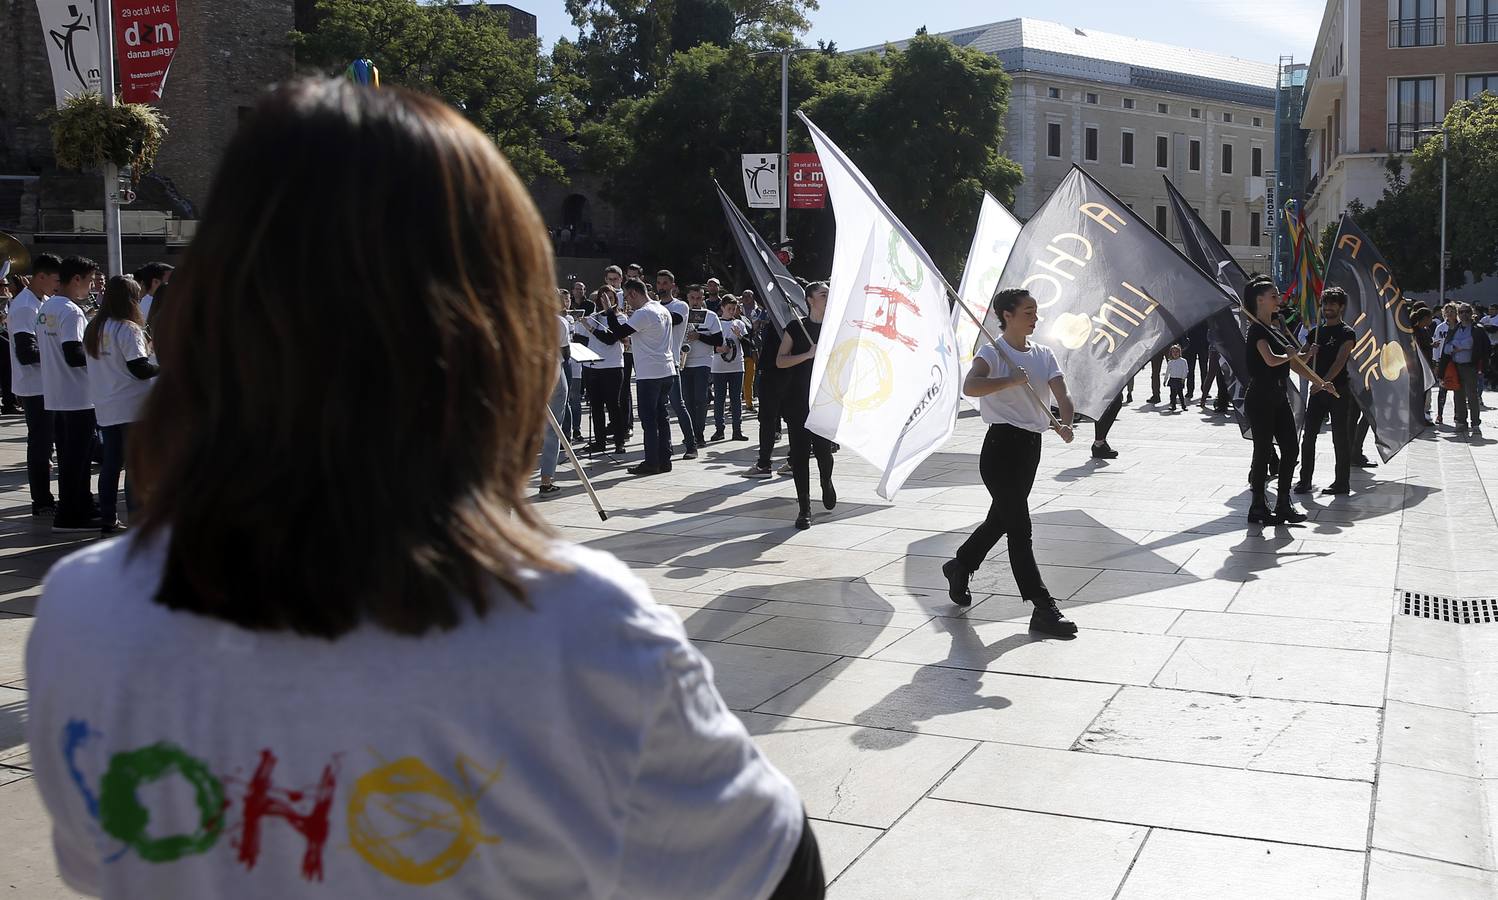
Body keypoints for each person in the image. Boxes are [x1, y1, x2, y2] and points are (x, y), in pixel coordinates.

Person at [26, 79, 822, 900]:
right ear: (492, 334)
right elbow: (771, 872)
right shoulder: (573, 630)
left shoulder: (83, 614)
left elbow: (96, 862)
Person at [940, 288, 1078, 636]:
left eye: (1035, 312)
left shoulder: (1044, 354)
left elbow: (1062, 393)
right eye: (1028, 312)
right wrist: (1009, 381)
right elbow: (971, 387)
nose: (1035, 318)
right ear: (1007, 315)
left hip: (1031, 448)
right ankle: (1042, 606)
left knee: (1001, 519)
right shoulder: (992, 352)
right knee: (1020, 527)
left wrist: (1066, 421)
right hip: (1000, 449)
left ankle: (961, 564)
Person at [1242, 276, 1335, 525]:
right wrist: (1289, 354)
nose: (1278, 299)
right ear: (1259, 300)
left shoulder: (1273, 328)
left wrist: (1318, 380)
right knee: (1262, 451)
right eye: (1273, 296)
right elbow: (1271, 359)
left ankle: (1284, 503)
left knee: (1291, 448)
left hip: (1278, 395)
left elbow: (1293, 362)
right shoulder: (1256, 330)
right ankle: (1258, 505)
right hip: (1260, 396)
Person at [83, 275, 159, 532]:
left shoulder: (95, 327)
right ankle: (137, 520)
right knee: (135, 466)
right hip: (132, 405)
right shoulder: (128, 328)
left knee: (112, 464)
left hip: (106, 404)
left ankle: (108, 519)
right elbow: (139, 368)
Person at [39, 255, 100, 532]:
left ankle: (81, 505)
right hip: (77, 395)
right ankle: (69, 515)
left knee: (70, 457)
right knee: (78, 459)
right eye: (88, 282)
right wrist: (103, 360)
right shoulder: (72, 311)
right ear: (76, 279)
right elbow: (74, 354)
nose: (89, 288)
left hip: (57, 393)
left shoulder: (48, 307)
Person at [776, 283, 836, 530]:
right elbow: (780, 361)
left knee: (824, 452)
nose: (828, 297)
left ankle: (826, 480)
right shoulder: (796, 327)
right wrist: (807, 355)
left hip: (825, 400)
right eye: (823, 294)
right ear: (810, 300)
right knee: (799, 456)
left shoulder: (835, 327)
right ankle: (804, 509)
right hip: (798, 400)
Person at [607, 278, 678, 476]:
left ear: (633, 294)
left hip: (650, 373)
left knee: (649, 420)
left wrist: (609, 312)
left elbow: (619, 333)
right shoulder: (661, 309)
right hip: (666, 369)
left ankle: (651, 462)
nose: (627, 303)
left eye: (627, 298)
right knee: (661, 417)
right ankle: (665, 460)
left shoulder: (644, 312)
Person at [1294, 286, 1355, 496]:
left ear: (1341, 307)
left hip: (1338, 391)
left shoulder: (1347, 333)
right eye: (1326, 304)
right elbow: (1298, 362)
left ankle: (1341, 482)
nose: (1328, 308)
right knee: (1308, 436)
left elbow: (1340, 361)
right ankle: (1304, 481)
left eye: (1332, 304)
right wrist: (1308, 353)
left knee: (1340, 437)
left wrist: (1322, 382)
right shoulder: (1315, 333)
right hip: (1317, 393)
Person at [10, 254, 58, 515]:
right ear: (41, 276)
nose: (57, 285)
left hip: (49, 383)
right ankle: (41, 500)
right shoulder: (25, 306)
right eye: (55, 279)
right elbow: (26, 353)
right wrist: (59, 354)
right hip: (35, 385)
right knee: (40, 443)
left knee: (48, 442)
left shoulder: (46, 301)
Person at [578, 286, 628, 455]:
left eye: (610, 298)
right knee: (596, 407)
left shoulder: (621, 318)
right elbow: (580, 337)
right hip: (592, 366)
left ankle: (619, 442)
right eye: (602, 298)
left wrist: (591, 328)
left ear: (615, 300)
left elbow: (610, 339)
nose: (606, 301)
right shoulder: (594, 317)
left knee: (613, 405)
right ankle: (599, 442)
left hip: (612, 366)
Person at [655, 270, 696, 459]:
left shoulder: (681, 306)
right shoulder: (653, 307)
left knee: (678, 405)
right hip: (654, 364)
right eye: (659, 283)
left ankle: (691, 445)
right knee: (658, 408)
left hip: (671, 362)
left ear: (672, 286)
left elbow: (675, 320)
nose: (661, 287)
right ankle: (664, 447)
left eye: (665, 283)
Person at [680, 284, 724, 447]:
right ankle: (690, 433)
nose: (695, 301)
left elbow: (719, 341)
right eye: (692, 298)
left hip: (703, 362)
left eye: (699, 298)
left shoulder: (711, 316)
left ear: (703, 298)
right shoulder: (681, 315)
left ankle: (699, 434)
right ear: (687, 298)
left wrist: (699, 336)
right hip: (684, 361)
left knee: (700, 399)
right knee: (687, 400)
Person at [537, 296, 572, 495]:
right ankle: (546, 480)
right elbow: (565, 353)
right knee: (553, 430)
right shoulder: (559, 321)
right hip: (552, 372)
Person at [1443, 303, 1489, 430]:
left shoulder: (1477, 329)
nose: (1464, 314)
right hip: (1456, 366)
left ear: (1471, 313)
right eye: (1461, 312)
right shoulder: (1454, 329)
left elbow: (1474, 344)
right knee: (1458, 395)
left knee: (1472, 395)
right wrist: (1458, 346)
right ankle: (1461, 421)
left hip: (1470, 366)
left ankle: (1475, 423)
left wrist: (1459, 345)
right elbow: (1447, 348)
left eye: (1466, 312)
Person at [711, 295, 750, 442]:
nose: (732, 311)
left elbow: (748, 344)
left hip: (736, 366)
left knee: (736, 399)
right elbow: (710, 343)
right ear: (722, 308)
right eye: (729, 308)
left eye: (734, 309)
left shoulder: (739, 323)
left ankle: (737, 430)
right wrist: (718, 348)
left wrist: (739, 336)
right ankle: (719, 429)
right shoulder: (716, 323)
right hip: (718, 367)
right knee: (719, 399)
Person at [1433, 302, 1459, 425]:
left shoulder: (1460, 327)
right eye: (1447, 311)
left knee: (1458, 389)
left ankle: (1457, 414)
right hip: (1443, 360)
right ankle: (1439, 414)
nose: (1449, 313)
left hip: (1457, 360)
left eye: (1452, 311)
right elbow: (1436, 346)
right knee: (1442, 388)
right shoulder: (1441, 328)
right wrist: (1436, 362)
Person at [741, 290, 761, 412]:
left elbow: (756, 327)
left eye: (749, 296)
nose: (746, 298)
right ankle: (735, 404)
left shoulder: (757, 310)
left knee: (750, 376)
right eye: (744, 296)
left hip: (752, 347)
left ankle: (749, 402)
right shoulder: (737, 312)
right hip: (739, 350)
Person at [1164, 344, 1188, 411]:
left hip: (1179, 379)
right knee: (1172, 394)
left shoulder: (1183, 361)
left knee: (1180, 394)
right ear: (1171, 353)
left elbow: (1185, 370)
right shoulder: (1170, 362)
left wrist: (1183, 378)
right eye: (1173, 352)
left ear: (1179, 352)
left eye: (1176, 352)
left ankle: (1183, 406)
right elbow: (1167, 371)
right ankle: (1173, 405)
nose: (1175, 353)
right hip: (1172, 379)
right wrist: (1165, 380)